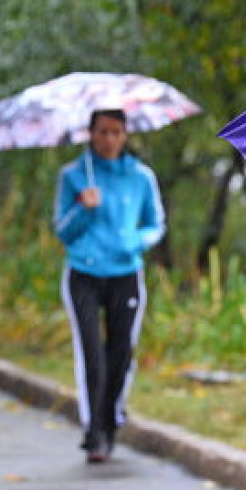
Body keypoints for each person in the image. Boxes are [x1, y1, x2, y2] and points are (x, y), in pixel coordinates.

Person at [53, 108, 165, 463]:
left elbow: (155, 223)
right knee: (92, 354)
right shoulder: (73, 176)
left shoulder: (141, 176)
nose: (109, 139)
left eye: (116, 132)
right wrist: (83, 208)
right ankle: (94, 430)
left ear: (126, 135)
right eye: (102, 132)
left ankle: (112, 418)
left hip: (125, 273)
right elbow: (62, 230)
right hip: (83, 273)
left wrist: (135, 242)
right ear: (90, 134)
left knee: (121, 353)